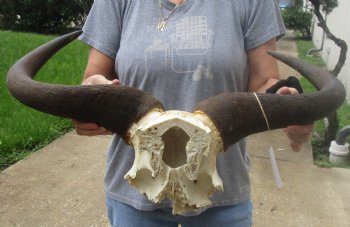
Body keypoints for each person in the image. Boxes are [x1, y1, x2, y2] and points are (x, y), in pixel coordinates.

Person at [73, 0, 313, 226]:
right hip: (136, 190)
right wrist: (91, 98)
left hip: (219, 192)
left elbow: (264, 81)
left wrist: (285, 103)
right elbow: (95, 76)